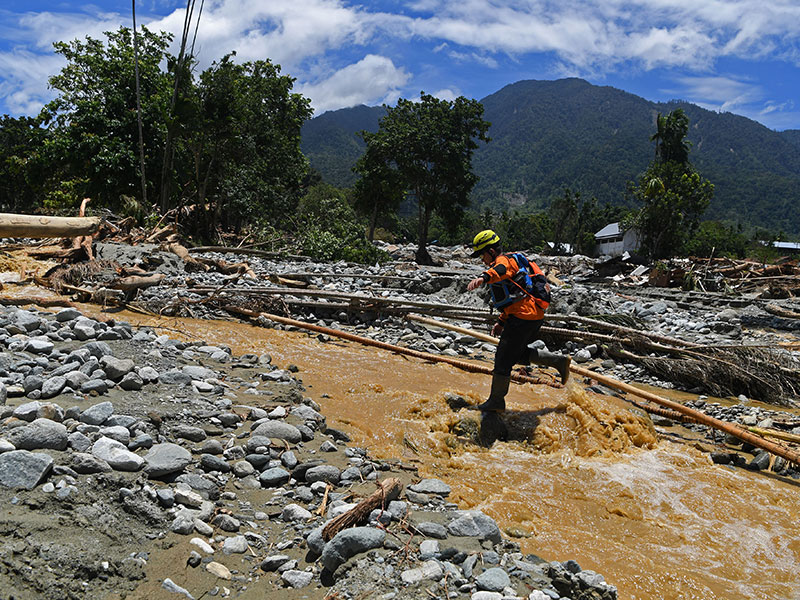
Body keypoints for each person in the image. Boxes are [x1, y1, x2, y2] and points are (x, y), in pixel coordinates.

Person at [466, 229, 570, 411]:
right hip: (530, 316)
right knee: (515, 354)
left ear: (491, 251)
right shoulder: (511, 261)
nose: (482, 260)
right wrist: (501, 322)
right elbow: (515, 298)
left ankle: (496, 402)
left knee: (503, 359)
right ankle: (557, 361)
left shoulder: (503, 262)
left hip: (523, 317)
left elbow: (499, 270)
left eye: (482, 255)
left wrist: (483, 277)